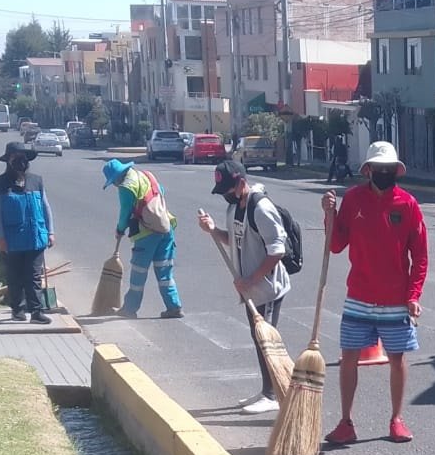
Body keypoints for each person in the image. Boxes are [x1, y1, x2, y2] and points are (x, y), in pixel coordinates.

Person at [321, 141, 427, 444]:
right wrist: (329, 215)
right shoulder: (353, 200)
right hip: (359, 295)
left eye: (389, 169)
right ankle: (346, 422)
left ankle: (396, 419)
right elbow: (336, 245)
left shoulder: (407, 205)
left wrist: (413, 295)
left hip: (395, 298)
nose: (384, 173)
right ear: (368, 170)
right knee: (349, 358)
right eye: (379, 169)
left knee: (397, 359)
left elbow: (420, 255)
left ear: (396, 171)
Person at [196, 159, 292, 415]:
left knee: (266, 340)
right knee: (258, 337)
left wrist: (251, 279)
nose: (226, 194)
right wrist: (213, 230)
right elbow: (234, 240)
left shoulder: (261, 208)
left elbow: (276, 252)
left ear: (240, 182)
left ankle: (273, 395)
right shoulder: (234, 208)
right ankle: (266, 390)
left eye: (228, 188)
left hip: (268, 287)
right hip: (250, 288)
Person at [101, 157, 183, 319]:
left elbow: (125, 212)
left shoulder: (126, 187)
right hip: (166, 229)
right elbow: (160, 193)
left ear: (117, 177)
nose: (115, 185)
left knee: (139, 273)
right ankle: (174, 306)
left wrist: (120, 230)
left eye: (113, 182)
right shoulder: (147, 175)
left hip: (146, 234)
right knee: (165, 273)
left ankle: (129, 309)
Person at [0, 141, 54, 324]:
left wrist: (50, 232)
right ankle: (17, 310)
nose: (21, 162)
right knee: (15, 276)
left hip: (35, 237)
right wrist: (0, 237)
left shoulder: (36, 180)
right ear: (8, 160)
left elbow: (45, 207)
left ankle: (36, 311)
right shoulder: (0, 183)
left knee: (34, 276)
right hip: (13, 239)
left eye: (24, 158)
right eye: (16, 158)